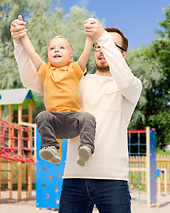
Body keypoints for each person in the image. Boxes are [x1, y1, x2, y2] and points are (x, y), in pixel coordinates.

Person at [10, 15, 142, 213]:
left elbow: (124, 77)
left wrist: (102, 36)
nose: (102, 49)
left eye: (109, 46)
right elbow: (31, 79)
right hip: (74, 179)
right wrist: (19, 42)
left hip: (112, 180)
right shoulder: (76, 82)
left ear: (122, 55)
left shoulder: (129, 86)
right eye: (99, 46)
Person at [19, 17, 97, 166]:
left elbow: (86, 53)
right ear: (48, 57)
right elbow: (31, 52)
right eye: (52, 48)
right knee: (42, 116)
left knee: (88, 117)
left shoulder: (75, 69)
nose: (56, 50)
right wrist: (23, 36)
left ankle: (86, 148)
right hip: (54, 122)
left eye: (61, 48)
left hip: (74, 120)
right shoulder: (45, 70)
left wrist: (89, 35)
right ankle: (51, 148)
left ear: (70, 57)